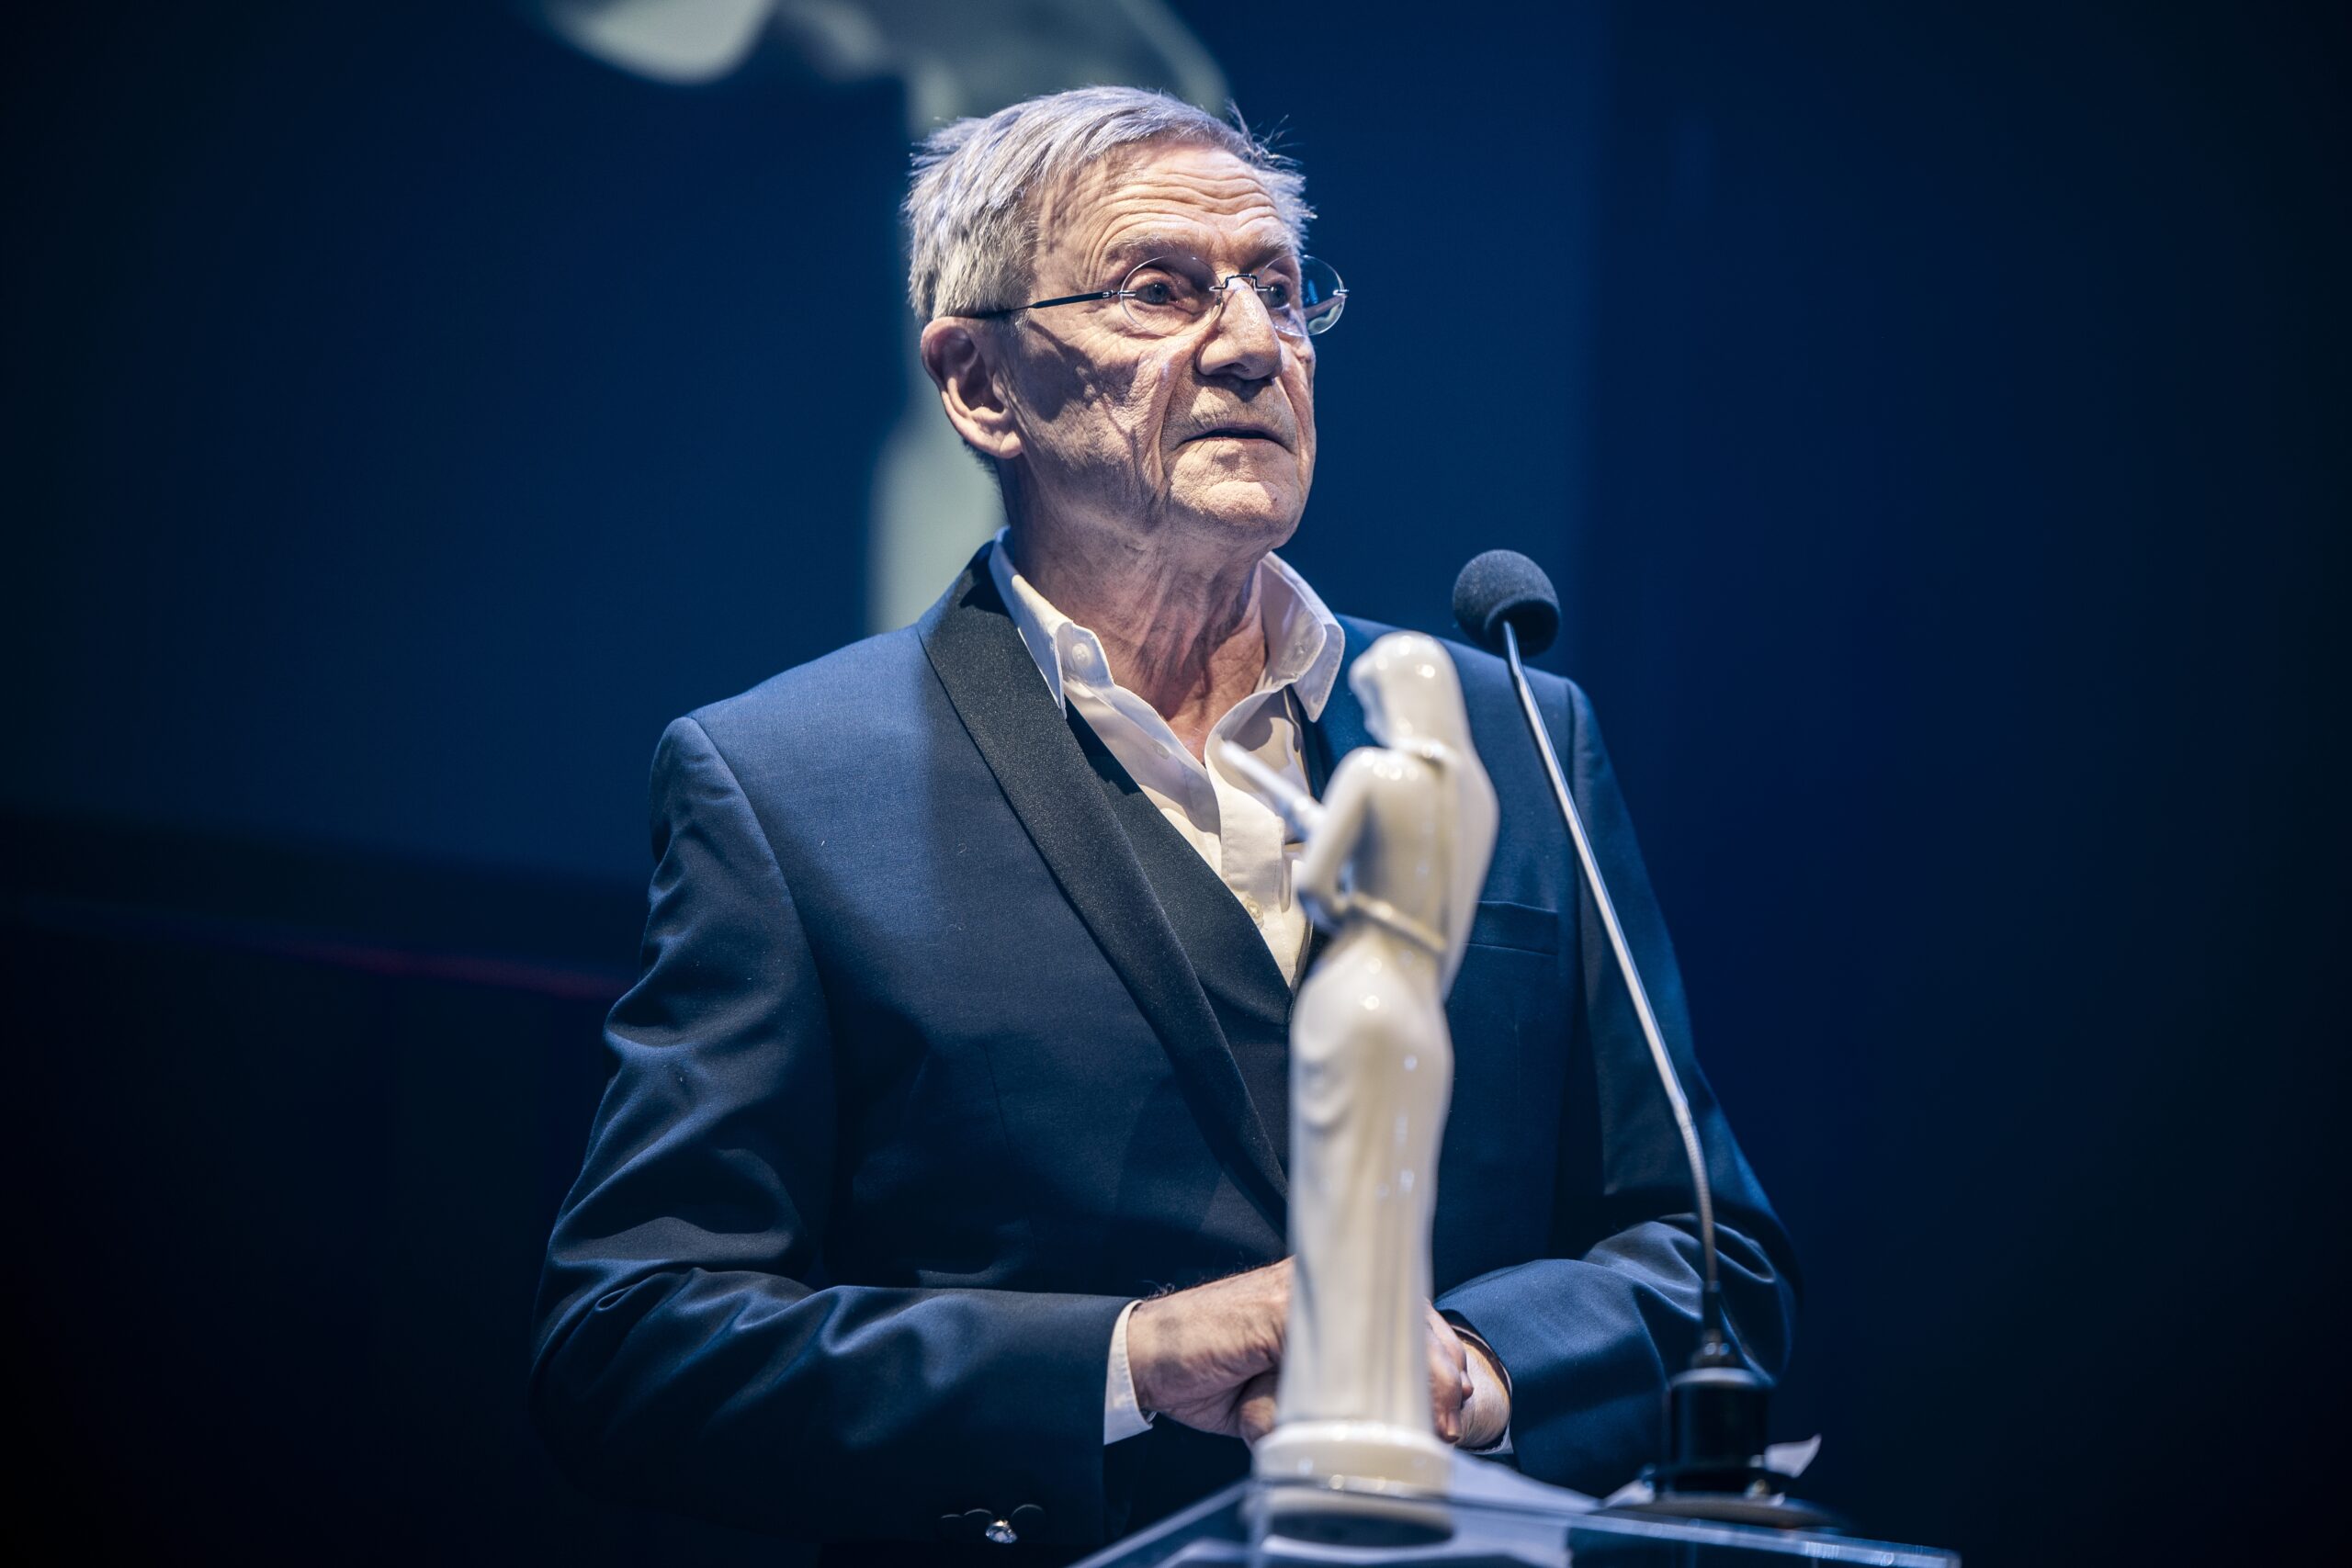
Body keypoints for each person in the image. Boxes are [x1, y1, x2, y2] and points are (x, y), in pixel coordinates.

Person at [529, 86, 1796, 1565]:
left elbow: (1710, 1263)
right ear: (980, 385)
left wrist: (1473, 1365)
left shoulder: (1512, 731)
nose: (1255, 344)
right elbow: (634, 1339)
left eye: (1280, 289)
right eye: (1161, 290)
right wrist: (1127, 1361)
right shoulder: (786, 784)